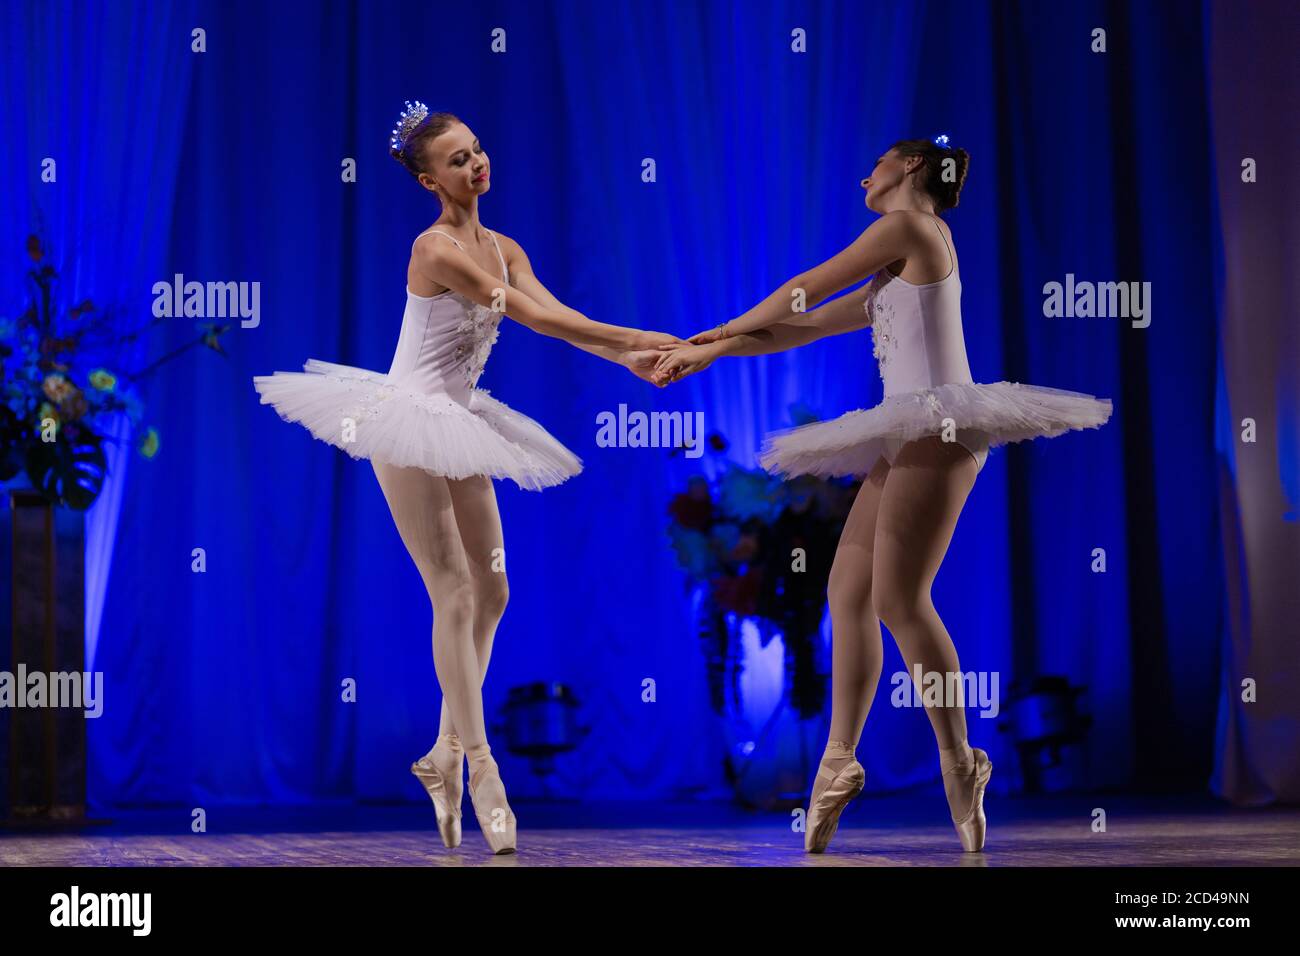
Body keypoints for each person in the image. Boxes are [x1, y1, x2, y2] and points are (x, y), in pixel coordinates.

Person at [652, 135, 1112, 852]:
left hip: (942, 421)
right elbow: (800, 324)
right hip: (909, 430)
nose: (865, 174)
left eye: (878, 163)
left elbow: (808, 283)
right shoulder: (898, 258)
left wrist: (723, 331)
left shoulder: (907, 226)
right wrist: (713, 345)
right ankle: (839, 759)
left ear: (913, 168)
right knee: (848, 593)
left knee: (900, 599)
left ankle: (960, 757)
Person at [253, 102, 678, 853]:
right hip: (407, 422)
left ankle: (442, 753)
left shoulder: (504, 245)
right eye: (456, 159)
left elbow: (554, 310)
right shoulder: (435, 247)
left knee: (496, 589)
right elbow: (533, 320)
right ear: (428, 180)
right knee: (452, 588)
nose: (475, 163)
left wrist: (630, 359)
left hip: (460, 419)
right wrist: (636, 337)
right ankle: (482, 768)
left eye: (476, 150)